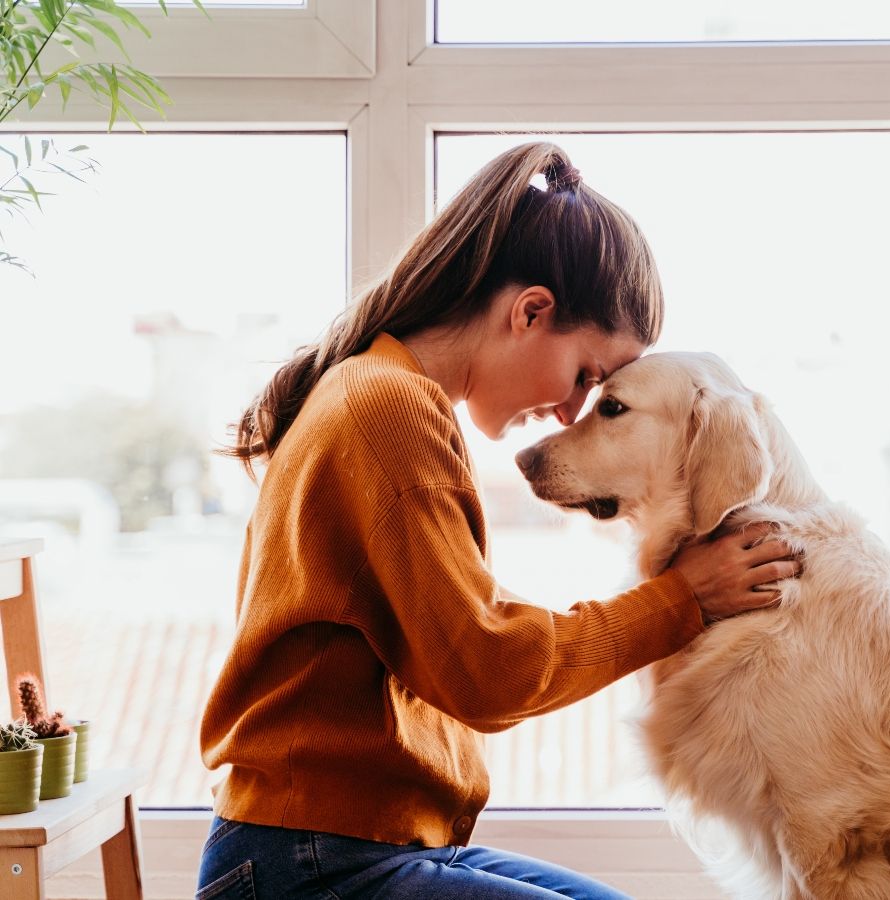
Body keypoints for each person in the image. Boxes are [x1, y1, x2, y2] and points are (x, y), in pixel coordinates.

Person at [195, 141, 799, 900]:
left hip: (356, 846)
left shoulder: (382, 393)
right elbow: (488, 669)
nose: (572, 410)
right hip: (306, 864)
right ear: (530, 311)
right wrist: (685, 599)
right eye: (585, 374)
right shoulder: (387, 408)